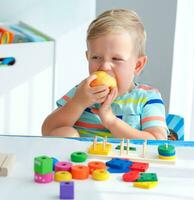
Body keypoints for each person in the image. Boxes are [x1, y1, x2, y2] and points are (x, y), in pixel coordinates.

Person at [42, 9, 168, 139]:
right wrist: (78, 103)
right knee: (63, 132)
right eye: (96, 57)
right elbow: (47, 130)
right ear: (88, 57)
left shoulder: (147, 98)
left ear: (137, 65)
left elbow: (157, 141)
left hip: (126, 158)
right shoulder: (82, 92)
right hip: (82, 158)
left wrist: (111, 121)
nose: (104, 66)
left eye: (116, 59)